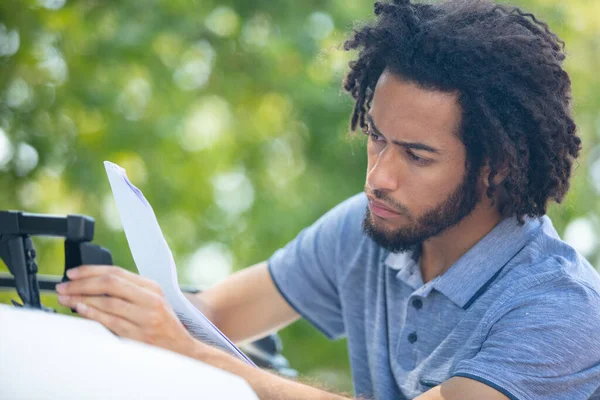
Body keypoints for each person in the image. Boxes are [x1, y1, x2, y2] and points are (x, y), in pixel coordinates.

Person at [55, 0, 600, 399]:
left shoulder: (561, 311)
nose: (379, 178)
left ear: (496, 167)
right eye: (377, 138)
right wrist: (120, 307)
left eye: (416, 155)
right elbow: (216, 313)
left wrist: (191, 354)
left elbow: (198, 344)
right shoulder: (372, 227)